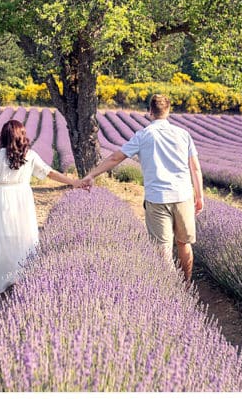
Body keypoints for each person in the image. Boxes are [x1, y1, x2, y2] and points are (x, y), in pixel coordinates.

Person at [83, 94, 203, 281]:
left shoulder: (143, 135)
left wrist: (92, 175)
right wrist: (199, 196)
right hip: (183, 196)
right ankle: (186, 286)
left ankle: (173, 289)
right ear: (168, 110)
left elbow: (115, 158)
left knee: (162, 249)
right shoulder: (183, 134)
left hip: (157, 198)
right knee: (184, 244)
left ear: (150, 112)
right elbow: (195, 168)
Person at [0, 118, 85, 293]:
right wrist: (73, 182)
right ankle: (22, 278)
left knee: (3, 237)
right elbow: (49, 173)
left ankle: (2, 280)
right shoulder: (30, 155)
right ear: (22, 136)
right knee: (25, 236)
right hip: (23, 196)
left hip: (3, 196)